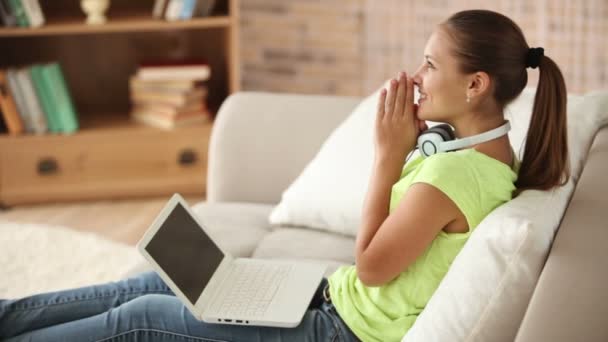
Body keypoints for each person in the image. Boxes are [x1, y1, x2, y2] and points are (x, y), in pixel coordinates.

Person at [0, 9, 569, 342]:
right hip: (332, 298)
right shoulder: (487, 159)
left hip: (343, 329)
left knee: (147, 317)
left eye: (431, 64)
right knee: (155, 283)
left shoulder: (453, 174)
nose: (417, 75)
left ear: (475, 86)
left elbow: (371, 269)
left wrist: (386, 156)